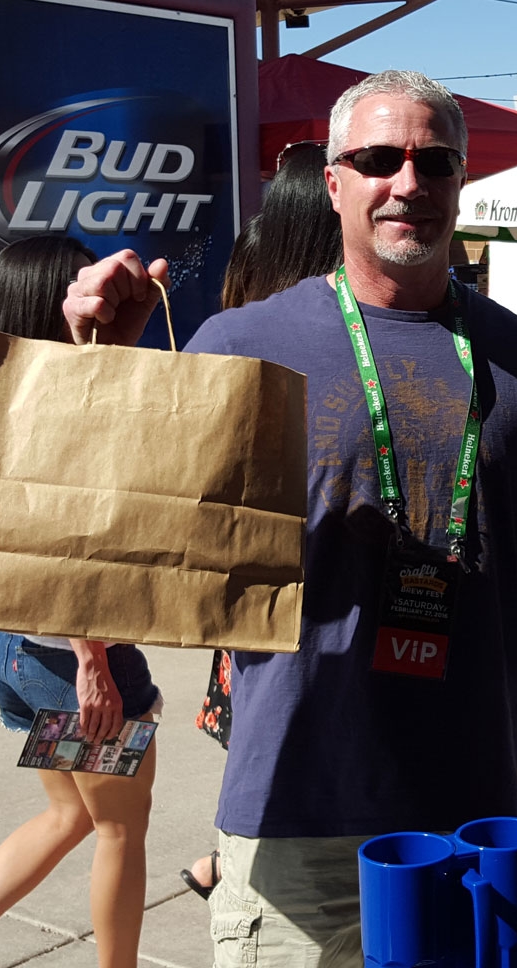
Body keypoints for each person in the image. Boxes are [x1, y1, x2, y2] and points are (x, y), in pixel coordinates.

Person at [63, 71, 517, 967]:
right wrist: (98, 369)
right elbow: (106, 537)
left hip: (475, 828)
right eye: (378, 159)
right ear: (334, 183)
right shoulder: (240, 348)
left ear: (462, 178)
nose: (408, 182)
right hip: (294, 833)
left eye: (434, 162)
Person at [0, 235, 161, 968]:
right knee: (120, 831)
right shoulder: (70, 411)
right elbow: (68, 548)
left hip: (15, 653)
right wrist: (94, 662)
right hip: (78, 664)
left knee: (69, 815)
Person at [181, 141, 343, 900]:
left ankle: (229, 853)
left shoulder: (250, 280)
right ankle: (234, 855)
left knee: (261, 714)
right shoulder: (340, 316)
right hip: (319, 553)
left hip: (255, 554)